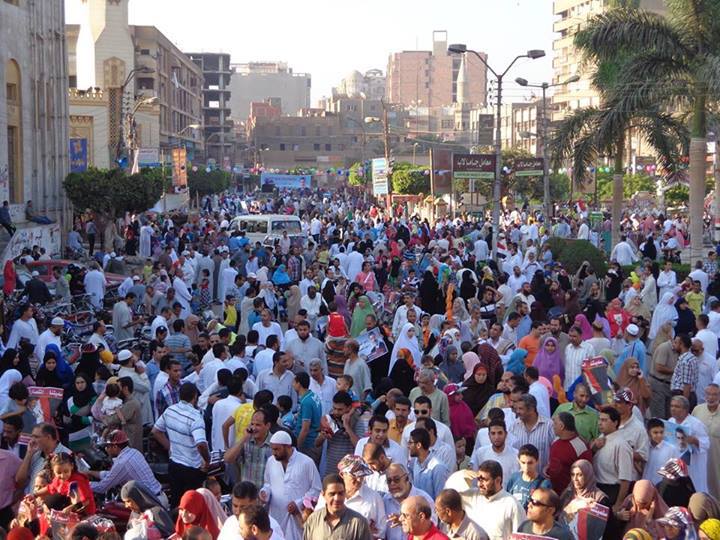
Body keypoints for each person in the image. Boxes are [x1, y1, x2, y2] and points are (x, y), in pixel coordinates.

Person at [151, 382, 210, 506]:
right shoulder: (195, 417)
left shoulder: (170, 410)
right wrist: (207, 460)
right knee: (192, 505)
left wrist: (170, 447)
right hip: (191, 469)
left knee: (176, 503)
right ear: (195, 397)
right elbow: (201, 444)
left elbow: (156, 431)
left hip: (174, 465)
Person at [444, 459, 525, 540]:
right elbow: (446, 497)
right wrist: (460, 474)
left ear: (498, 480)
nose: (479, 484)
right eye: (479, 479)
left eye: (484, 480)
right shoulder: (470, 496)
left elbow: (520, 536)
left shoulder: (512, 505)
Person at [262, 431, 321, 540]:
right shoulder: (271, 461)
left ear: (288, 447)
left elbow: (316, 489)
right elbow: (268, 484)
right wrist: (264, 492)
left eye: (277, 449)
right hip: (276, 517)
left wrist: (299, 503)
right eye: (272, 449)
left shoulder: (306, 462)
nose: (274, 453)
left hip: (298, 519)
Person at [88, 429, 164, 504]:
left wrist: (84, 483)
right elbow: (113, 475)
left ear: (115, 447)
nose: (106, 449)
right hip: (158, 497)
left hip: (152, 503)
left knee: (110, 508)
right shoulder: (134, 452)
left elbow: (102, 488)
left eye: (107, 446)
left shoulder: (122, 463)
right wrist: (90, 472)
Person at [303, 473, 373, 540]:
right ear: (323, 495)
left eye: (340, 493)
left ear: (345, 493)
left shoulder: (358, 523)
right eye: (332, 494)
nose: (337, 498)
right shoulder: (313, 520)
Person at [593, 406, 633, 511]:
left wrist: (618, 504)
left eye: (604, 420)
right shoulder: (600, 438)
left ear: (615, 423)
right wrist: (594, 448)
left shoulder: (622, 445)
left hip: (612, 492)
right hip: (597, 489)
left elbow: (625, 479)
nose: (600, 423)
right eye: (599, 419)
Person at [670, 394, 710, 493]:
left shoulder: (696, 424)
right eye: (672, 406)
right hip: (676, 463)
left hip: (693, 465)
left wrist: (695, 440)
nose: (673, 409)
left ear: (685, 409)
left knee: (694, 491)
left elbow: (707, 444)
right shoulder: (670, 421)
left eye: (677, 406)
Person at [218, 481, 283, 540]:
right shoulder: (229, 523)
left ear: (255, 502)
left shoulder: (273, 526)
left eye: (243, 507)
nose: (237, 511)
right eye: (235, 506)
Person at [509, 394, 555, 473]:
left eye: (521, 409)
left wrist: (550, 466)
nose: (517, 412)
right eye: (516, 409)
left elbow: (556, 450)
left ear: (531, 409)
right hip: (520, 477)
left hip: (542, 477)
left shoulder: (549, 426)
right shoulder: (513, 427)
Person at [469, 420, 518, 488]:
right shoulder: (480, 453)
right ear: (489, 435)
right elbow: (475, 480)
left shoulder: (516, 454)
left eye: (500, 433)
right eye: (493, 433)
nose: (496, 437)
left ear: (506, 434)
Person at [693, 383, 720, 499]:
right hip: (699, 458)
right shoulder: (697, 410)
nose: (711, 397)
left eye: (715, 394)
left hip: (716, 459)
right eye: (708, 394)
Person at [408, 427, 451, 499]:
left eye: (410, 443)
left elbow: (440, 498)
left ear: (418, 445)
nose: (408, 446)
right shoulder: (414, 463)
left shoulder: (438, 468)